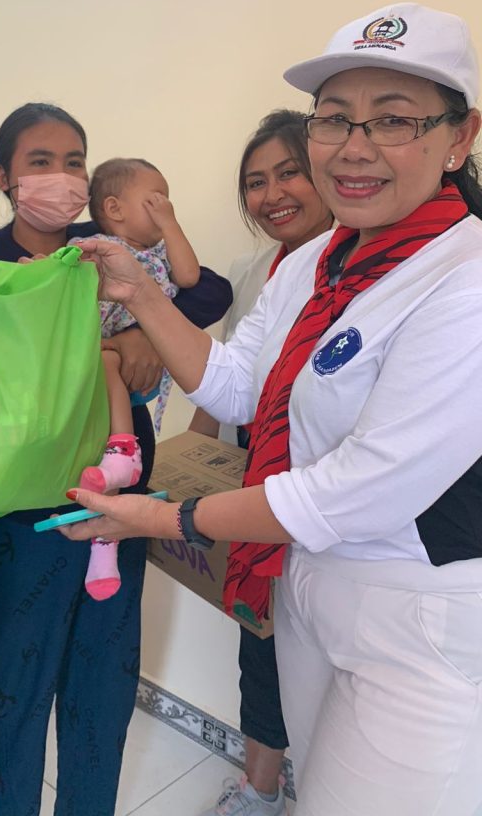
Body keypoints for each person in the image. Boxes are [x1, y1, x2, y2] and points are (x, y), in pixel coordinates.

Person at [59, 4, 482, 816]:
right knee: (315, 788)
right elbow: (235, 384)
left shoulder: (463, 280)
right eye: (334, 118)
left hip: (417, 614)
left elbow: (359, 491)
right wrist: (139, 293)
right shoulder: (315, 262)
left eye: (393, 120)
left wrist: (161, 518)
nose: (354, 146)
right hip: (308, 581)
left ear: (459, 137)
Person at [0, 102, 232, 816]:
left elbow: (209, 290)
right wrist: (113, 345)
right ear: (4, 176)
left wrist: (142, 326)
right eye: (40, 162)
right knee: (11, 694)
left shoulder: (103, 250)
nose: (62, 176)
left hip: (121, 501)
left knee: (102, 691)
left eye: (74, 161)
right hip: (21, 513)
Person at [188, 111, 333, 816]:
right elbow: (228, 381)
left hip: (324, 494)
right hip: (256, 484)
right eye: (255, 182)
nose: (272, 194)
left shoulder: (371, 267)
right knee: (260, 641)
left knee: (323, 654)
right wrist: (187, 469)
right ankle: (261, 788)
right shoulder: (253, 272)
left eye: (289, 173)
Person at [73, 156, 201, 601]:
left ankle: (121, 458)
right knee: (107, 358)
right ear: (114, 208)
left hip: (132, 380)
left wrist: (170, 223)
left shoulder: (161, 254)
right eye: (156, 199)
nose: (166, 206)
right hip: (96, 371)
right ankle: (122, 455)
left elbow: (191, 276)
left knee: (113, 490)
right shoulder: (94, 249)